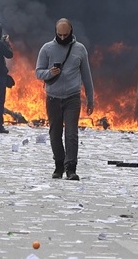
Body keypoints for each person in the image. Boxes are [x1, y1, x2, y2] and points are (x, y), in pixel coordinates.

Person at [35, 18, 95, 180]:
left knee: (71, 134)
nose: (62, 38)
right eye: (59, 35)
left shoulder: (80, 49)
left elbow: (86, 76)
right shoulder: (46, 49)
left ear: (71, 31)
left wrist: (91, 99)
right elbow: (38, 72)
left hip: (72, 98)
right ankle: (58, 165)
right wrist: (50, 73)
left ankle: (71, 168)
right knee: (55, 134)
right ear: (55, 32)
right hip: (53, 98)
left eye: (65, 35)